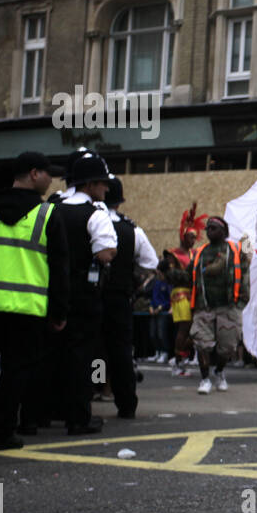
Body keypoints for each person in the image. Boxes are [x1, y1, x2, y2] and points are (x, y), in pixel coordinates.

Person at [0, 153, 70, 450]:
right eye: (47, 173)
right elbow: (59, 268)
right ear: (34, 174)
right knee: (14, 372)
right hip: (25, 309)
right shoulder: (47, 214)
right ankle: (0, 434)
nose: (51, 179)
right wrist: (59, 311)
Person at [43, 152, 117, 435]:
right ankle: (78, 417)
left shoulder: (51, 207)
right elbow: (106, 253)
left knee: (48, 353)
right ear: (90, 184)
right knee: (81, 356)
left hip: (48, 290)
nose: (106, 189)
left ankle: (39, 415)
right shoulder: (95, 213)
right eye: (102, 183)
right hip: (83, 295)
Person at [99, 176, 159, 418]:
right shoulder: (131, 229)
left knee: (93, 349)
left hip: (89, 296)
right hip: (119, 297)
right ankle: (126, 403)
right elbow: (150, 262)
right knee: (121, 350)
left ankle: (94, 391)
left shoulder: (86, 219)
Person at [181, 216, 249, 394]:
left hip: (228, 307)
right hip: (205, 307)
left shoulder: (235, 251)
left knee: (227, 348)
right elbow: (188, 277)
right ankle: (205, 379)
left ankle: (219, 371)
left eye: (214, 228)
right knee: (202, 344)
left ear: (224, 232)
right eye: (208, 228)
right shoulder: (199, 253)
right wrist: (169, 272)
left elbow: (245, 277)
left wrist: (241, 302)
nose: (209, 231)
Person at [164, 205, 204, 377]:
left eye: (195, 237)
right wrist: (189, 276)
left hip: (195, 294)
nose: (193, 240)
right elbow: (171, 275)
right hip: (181, 294)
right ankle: (178, 361)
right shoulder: (172, 254)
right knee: (184, 327)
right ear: (183, 235)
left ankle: (181, 356)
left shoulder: (196, 253)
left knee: (195, 329)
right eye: (190, 236)